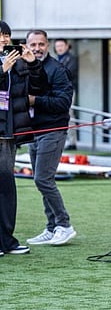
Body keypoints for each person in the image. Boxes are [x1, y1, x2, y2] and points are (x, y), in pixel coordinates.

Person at [25, 29, 77, 246]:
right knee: (43, 180)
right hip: (33, 131)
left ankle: (64, 225)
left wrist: (34, 100)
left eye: (41, 44)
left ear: (48, 45)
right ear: (27, 46)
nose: (37, 48)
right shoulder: (24, 66)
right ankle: (51, 226)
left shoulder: (58, 69)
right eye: (33, 44)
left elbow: (64, 103)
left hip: (53, 130)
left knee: (42, 179)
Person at [0, 21, 48, 256]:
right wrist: (1, 72)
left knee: (7, 186)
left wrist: (33, 64)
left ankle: (6, 241)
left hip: (8, 134)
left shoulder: (16, 61)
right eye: (0, 36)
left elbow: (38, 88)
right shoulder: (5, 66)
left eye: (6, 35)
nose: (3, 39)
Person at [54, 38, 79, 150]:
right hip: (55, 91)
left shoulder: (71, 59)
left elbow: (68, 73)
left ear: (67, 46)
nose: (59, 48)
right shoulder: (55, 60)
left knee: (69, 115)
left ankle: (72, 142)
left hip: (68, 91)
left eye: (61, 45)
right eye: (57, 46)